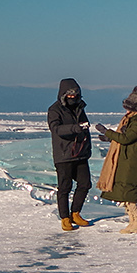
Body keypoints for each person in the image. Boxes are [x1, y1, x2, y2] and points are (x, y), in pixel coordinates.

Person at [96, 86, 137, 233]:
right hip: (128, 158)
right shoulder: (134, 120)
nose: (126, 112)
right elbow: (127, 137)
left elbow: (127, 138)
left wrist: (108, 132)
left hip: (133, 160)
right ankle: (132, 221)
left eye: (128, 108)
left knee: (128, 189)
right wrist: (109, 138)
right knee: (123, 189)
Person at [48, 78, 94, 231]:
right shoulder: (55, 110)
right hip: (64, 154)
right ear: (63, 94)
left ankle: (75, 213)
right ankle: (65, 218)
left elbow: (84, 129)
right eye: (70, 94)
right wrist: (75, 128)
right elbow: (56, 129)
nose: (73, 97)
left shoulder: (80, 108)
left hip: (80, 153)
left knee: (85, 183)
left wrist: (86, 145)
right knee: (65, 187)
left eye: (75, 94)